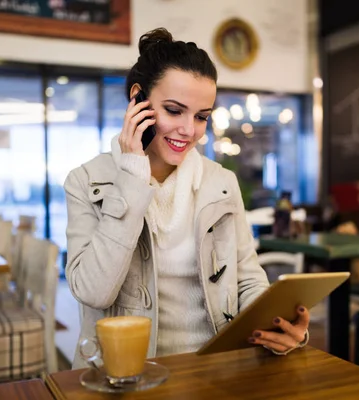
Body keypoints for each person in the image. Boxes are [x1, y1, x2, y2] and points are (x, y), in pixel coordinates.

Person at [64, 27, 310, 368]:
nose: (189, 130)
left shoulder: (221, 182)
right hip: (126, 374)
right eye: (174, 110)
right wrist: (133, 179)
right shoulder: (85, 181)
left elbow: (248, 279)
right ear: (137, 99)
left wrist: (279, 326)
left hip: (216, 370)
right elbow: (95, 292)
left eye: (201, 117)